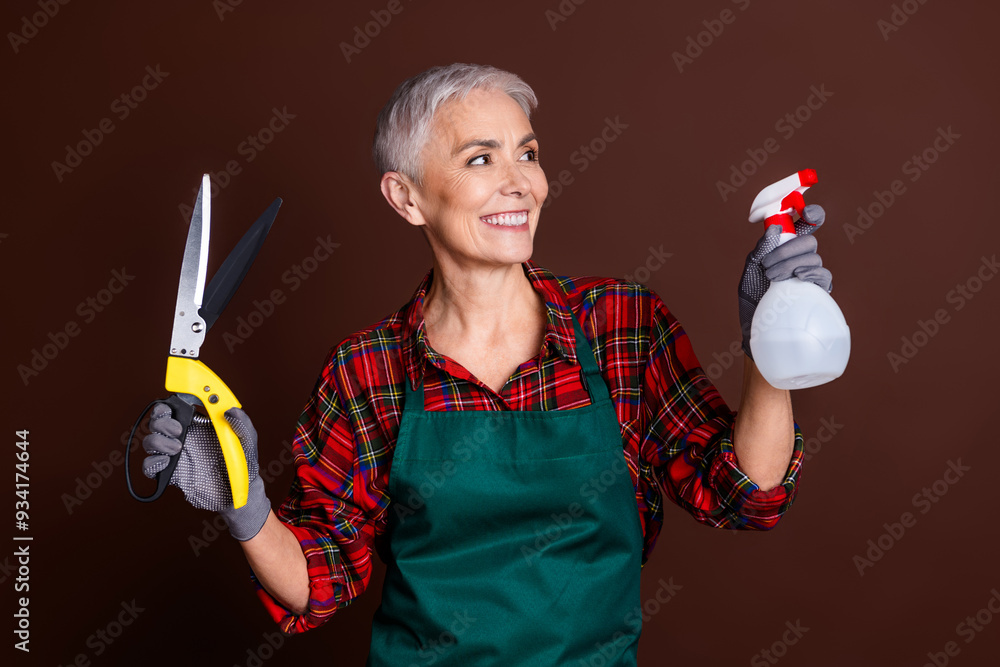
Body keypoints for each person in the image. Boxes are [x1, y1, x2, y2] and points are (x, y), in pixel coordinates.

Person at [142, 63, 833, 665]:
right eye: (480, 159)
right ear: (406, 197)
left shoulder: (620, 324)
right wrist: (245, 505)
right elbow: (318, 580)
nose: (521, 183)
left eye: (527, 153)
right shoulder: (367, 371)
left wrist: (772, 341)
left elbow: (747, 492)